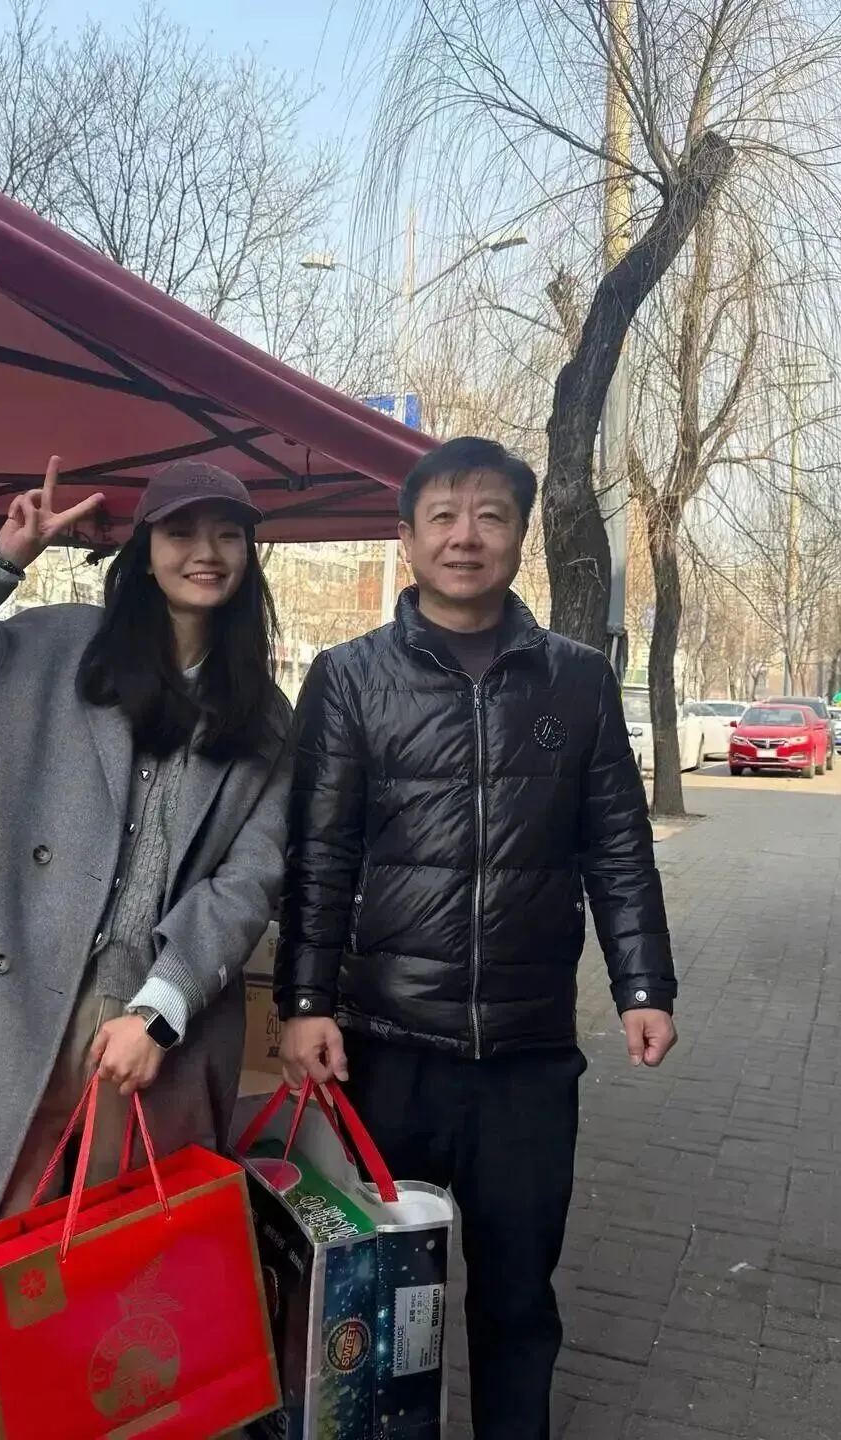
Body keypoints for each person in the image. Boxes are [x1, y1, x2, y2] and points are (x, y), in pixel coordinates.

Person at [0, 458, 292, 1440]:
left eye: (228, 535)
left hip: (148, 1027)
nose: (205, 553)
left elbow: (250, 878)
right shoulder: (47, 647)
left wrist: (160, 1008)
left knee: (105, 1275)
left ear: (250, 555)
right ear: (143, 551)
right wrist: (1, 559)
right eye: (181, 532)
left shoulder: (263, 715)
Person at [275, 436, 677, 1440]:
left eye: (491, 515)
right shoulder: (349, 677)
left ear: (520, 536)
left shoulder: (576, 681)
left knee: (517, 1294)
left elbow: (617, 846)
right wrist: (303, 1003)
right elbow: (319, 854)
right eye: (444, 516)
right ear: (407, 538)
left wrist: (643, 985)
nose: (467, 536)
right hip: (385, 1050)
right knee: (372, 1297)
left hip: (527, 1056)